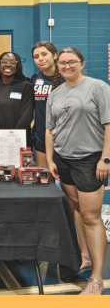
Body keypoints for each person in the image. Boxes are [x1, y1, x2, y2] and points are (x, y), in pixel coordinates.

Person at [46, 47, 110, 295]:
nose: (67, 66)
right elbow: (50, 129)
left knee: (91, 216)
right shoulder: (56, 93)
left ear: (81, 63)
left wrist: (106, 158)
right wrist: (51, 159)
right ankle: (85, 256)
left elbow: (108, 124)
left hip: (90, 159)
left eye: (72, 62)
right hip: (64, 160)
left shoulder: (98, 87)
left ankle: (97, 280)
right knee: (77, 208)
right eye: (62, 62)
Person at [0, 52, 34, 163]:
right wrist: (2, 137)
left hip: (21, 141)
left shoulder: (26, 86)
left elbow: (26, 115)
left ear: (18, 66)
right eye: (4, 62)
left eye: (12, 62)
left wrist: (13, 138)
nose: (8, 65)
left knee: (20, 178)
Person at [31, 42, 63, 169]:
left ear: (55, 55)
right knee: (45, 181)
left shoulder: (66, 79)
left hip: (63, 137)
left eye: (44, 54)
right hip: (41, 136)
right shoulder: (35, 79)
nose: (40, 59)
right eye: (36, 56)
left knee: (67, 183)